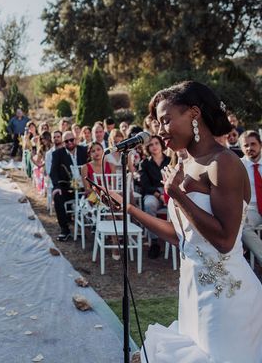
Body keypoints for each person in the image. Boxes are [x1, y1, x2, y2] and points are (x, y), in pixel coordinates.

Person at [112, 81, 262, 362]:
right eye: (157, 123)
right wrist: (129, 209)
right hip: (193, 288)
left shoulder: (223, 163)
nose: (159, 130)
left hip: (226, 298)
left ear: (194, 114)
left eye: (166, 120)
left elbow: (225, 241)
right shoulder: (184, 165)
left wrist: (177, 195)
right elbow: (181, 236)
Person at [50, 130, 88, 241]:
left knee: (96, 198)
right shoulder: (57, 154)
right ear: (63, 142)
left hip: (84, 187)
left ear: (75, 139)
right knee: (57, 196)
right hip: (68, 188)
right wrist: (56, 187)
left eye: (71, 140)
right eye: (66, 141)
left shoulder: (84, 150)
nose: (69, 143)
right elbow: (53, 172)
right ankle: (65, 230)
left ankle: (95, 226)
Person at [138, 134, 171, 259]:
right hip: (153, 192)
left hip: (170, 191)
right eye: (151, 144)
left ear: (161, 145)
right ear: (147, 148)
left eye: (156, 143)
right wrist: (159, 195)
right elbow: (145, 184)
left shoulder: (170, 160)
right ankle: (155, 242)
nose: (154, 146)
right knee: (149, 204)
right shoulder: (144, 164)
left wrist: (167, 195)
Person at [240, 130, 262, 266]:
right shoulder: (237, 166)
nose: (249, 148)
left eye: (253, 144)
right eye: (245, 145)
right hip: (251, 208)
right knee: (241, 227)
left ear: (260, 144)